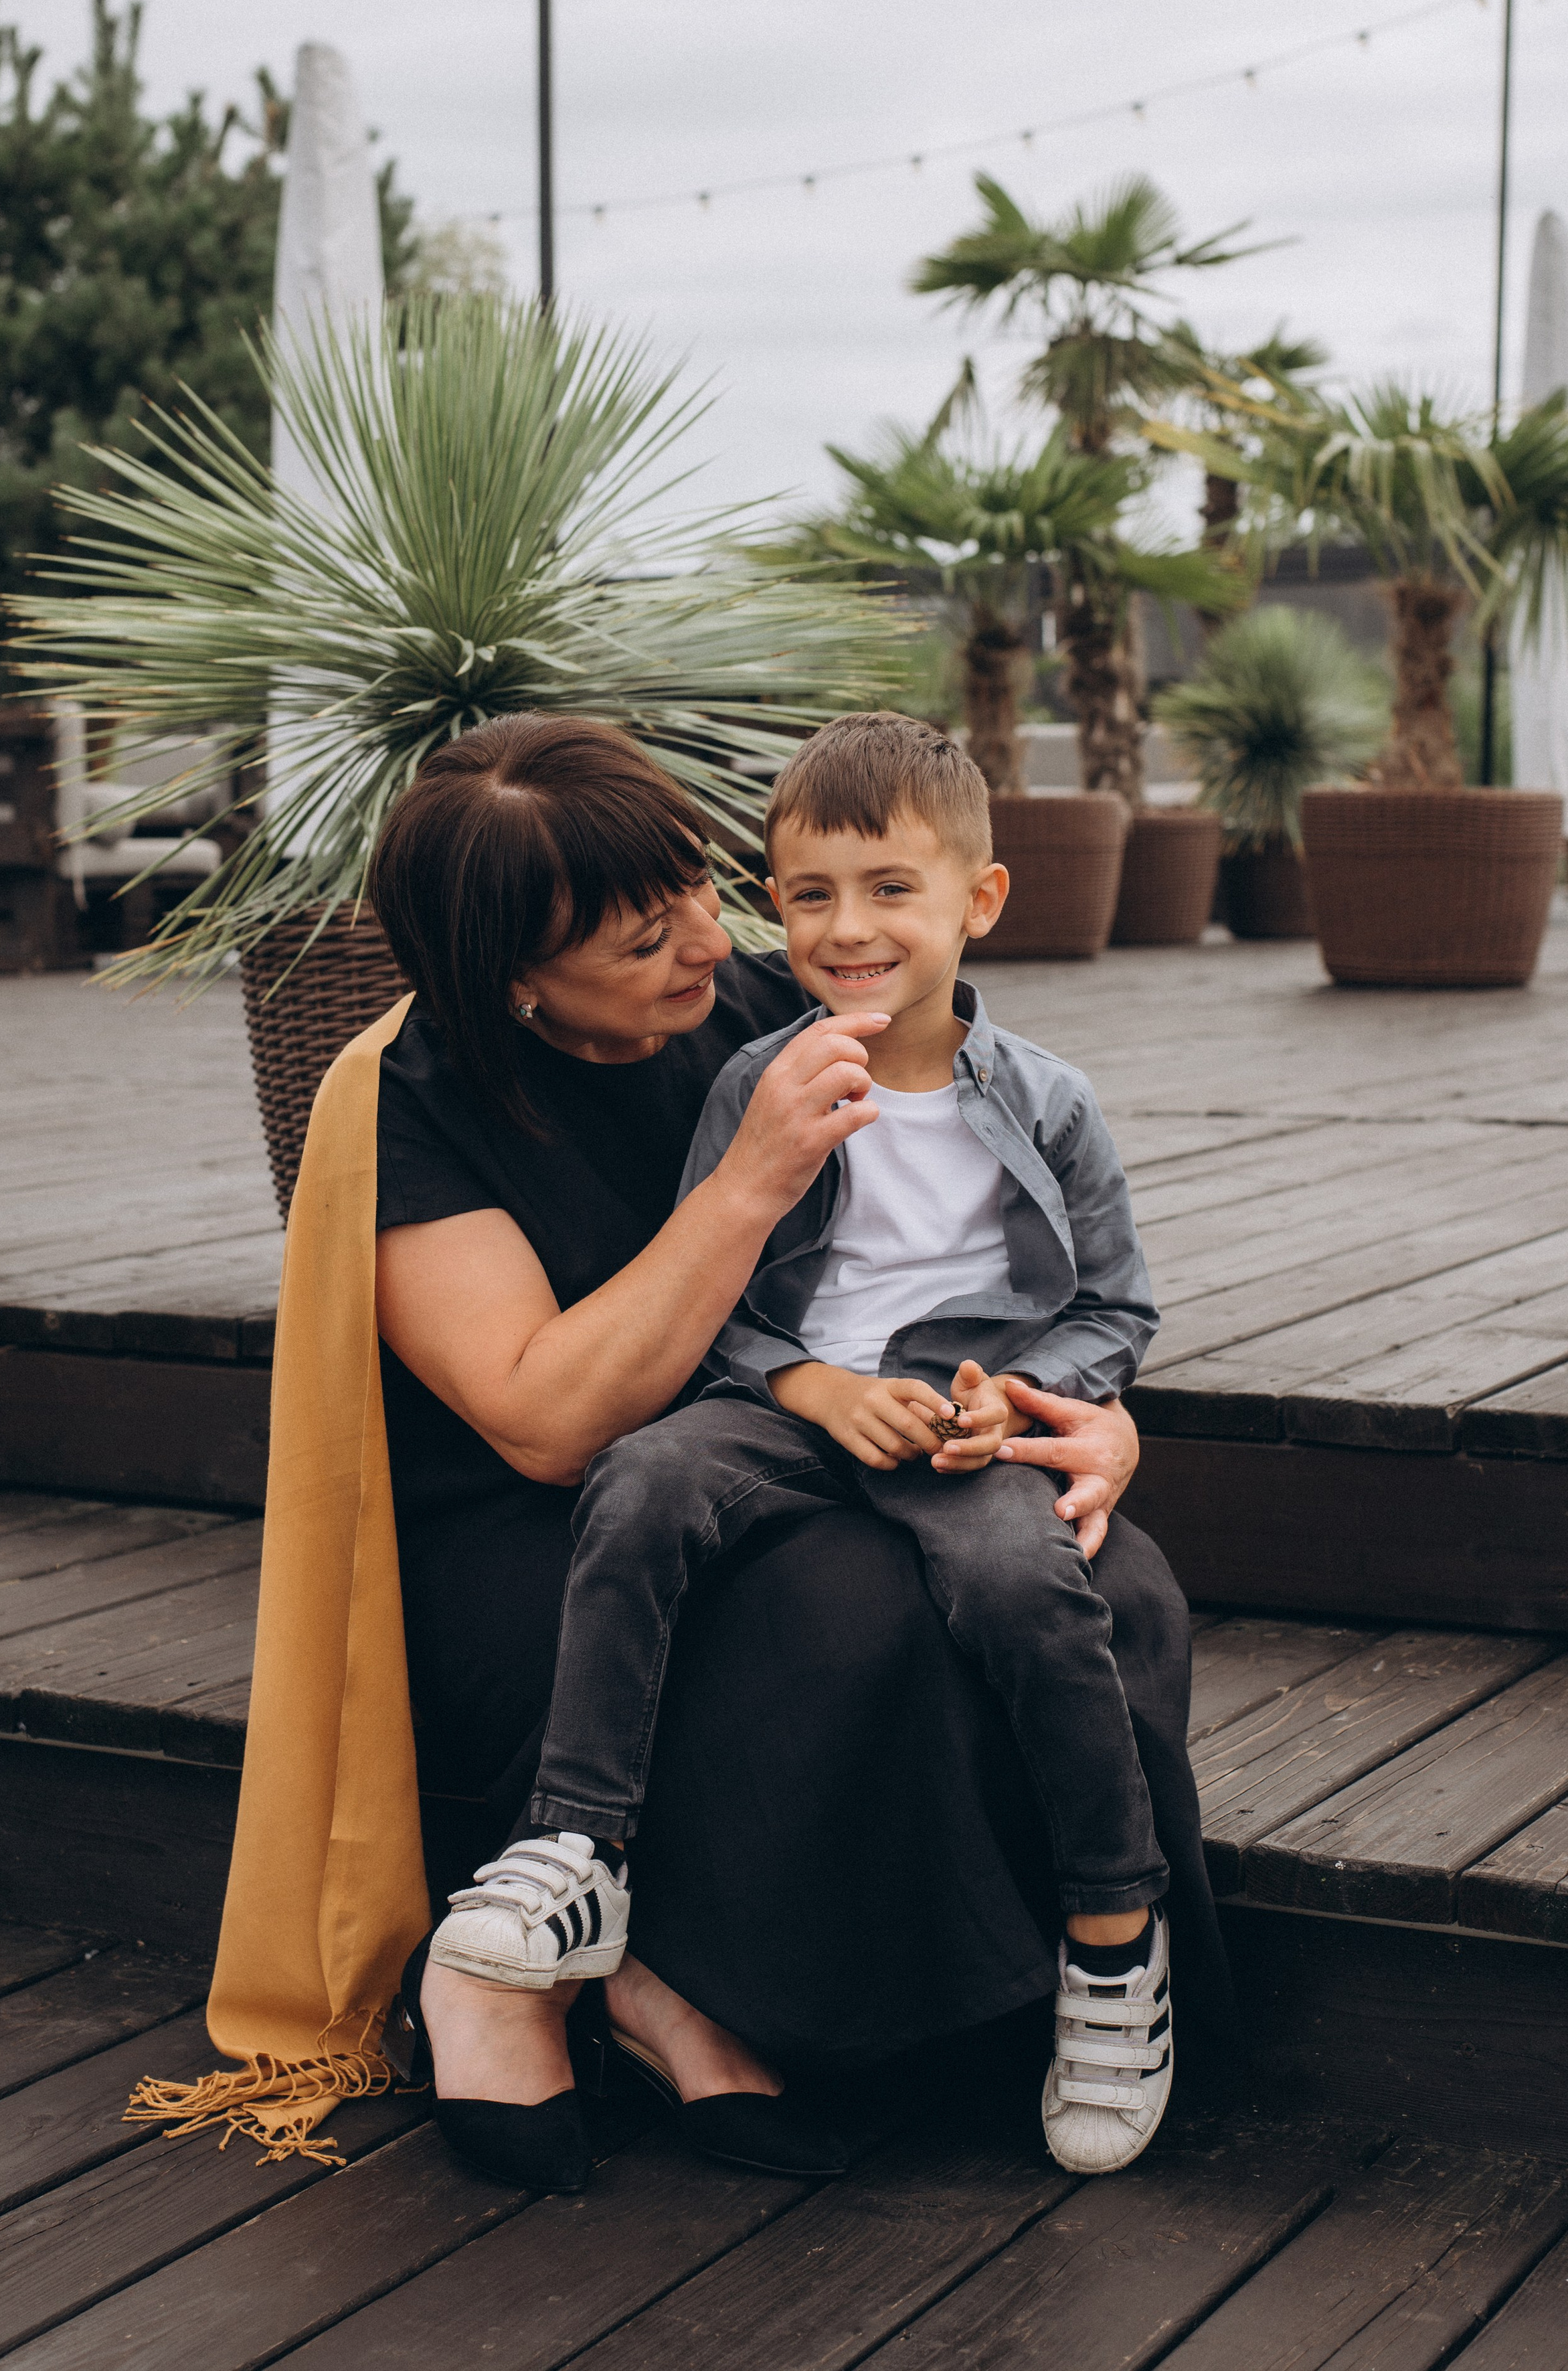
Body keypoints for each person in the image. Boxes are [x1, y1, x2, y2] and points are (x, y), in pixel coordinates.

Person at [365, 712, 1229, 2196]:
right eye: (646, 940)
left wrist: (1089, 1412)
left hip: (825, 1426)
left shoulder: (786, 985)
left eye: (705, 887)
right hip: (543, 1518)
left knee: (1105, 1583)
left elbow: (1031, 1252)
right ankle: (611, 1947)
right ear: (517, 979)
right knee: (854, 1610)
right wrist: (754, 1192)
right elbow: (544, 1422)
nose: (711, 942)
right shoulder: (413, 1101)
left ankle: (1071, 1972)